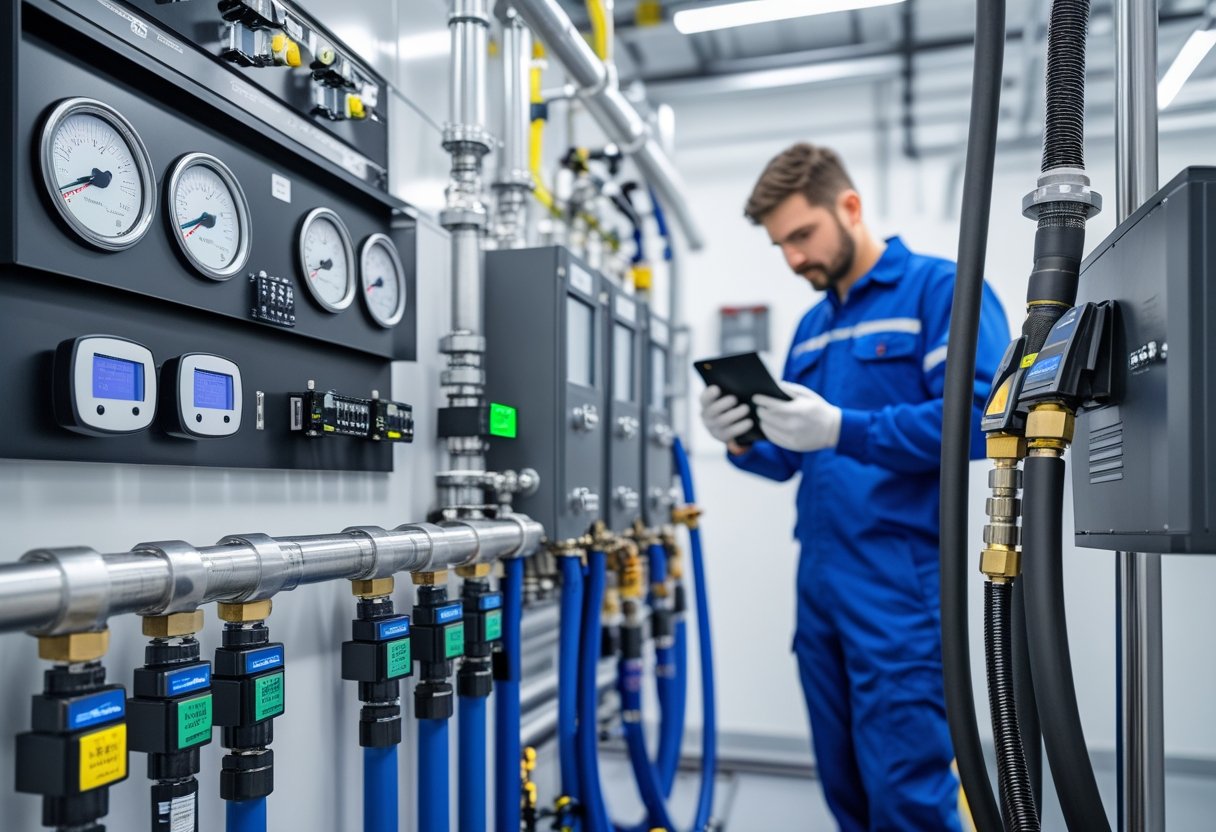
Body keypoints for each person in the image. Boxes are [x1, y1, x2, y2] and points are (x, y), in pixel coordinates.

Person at [700, 143, 1009, 830]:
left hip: (900, 591)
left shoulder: (940, 291)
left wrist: (845, 428)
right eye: (781, 245)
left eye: (802, 236)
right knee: (845, 788)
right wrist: (740, 435)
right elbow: (789, 460)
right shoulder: (812, 329)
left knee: (908, 795)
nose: (793, 259)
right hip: (821, 591)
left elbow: (984, 423)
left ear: (850, 207)